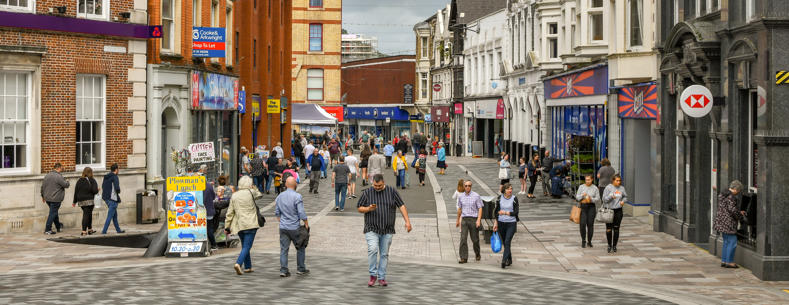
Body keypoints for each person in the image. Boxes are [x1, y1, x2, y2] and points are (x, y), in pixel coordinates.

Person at [357, 174, 412, 287]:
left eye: (379, 185)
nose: (377, 187)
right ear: (372, 183)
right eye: (375, 185)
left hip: (387, 229)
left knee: (384, 254)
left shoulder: (392, 191)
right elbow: (359, 207)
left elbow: (401, 206)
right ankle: (373, 275)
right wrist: (368, 208)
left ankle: (381, 277)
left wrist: (407, 221)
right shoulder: (367, 192)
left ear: (384, 182)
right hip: (371, 228)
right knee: (372, 250)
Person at [224, 176, 262, 275]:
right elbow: (259, 195)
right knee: (247, 246)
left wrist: (227, 226)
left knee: (245, 245)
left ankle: (248, 266)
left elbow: (230, 212)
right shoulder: (251, 192)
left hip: (239, 224)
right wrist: (255, 188)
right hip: (251, 223)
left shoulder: (234, 195)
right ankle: (238, 263)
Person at [275, 177, 310, 277]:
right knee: (300, 247)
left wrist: (281, 221)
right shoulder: (297, 196)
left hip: (283, 227)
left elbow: (277, 213)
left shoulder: (279, 196)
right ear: (295, 184)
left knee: (284, 249)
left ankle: (283, 270)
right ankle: (301, 268)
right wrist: (306, 223)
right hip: (294, 227)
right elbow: (301, 212)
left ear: (286, 185)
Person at [714, 180, 745, 268]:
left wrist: (738, 211)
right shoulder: (731, 197)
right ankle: (730, 262)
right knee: (732, 242)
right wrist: (740, 216)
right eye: (738, 190)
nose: (738, 192)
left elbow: (727, 208)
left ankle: (724, 260)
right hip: (728, 223)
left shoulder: (723, 194)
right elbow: (732, 210)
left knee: (726, 242)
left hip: (721, 221)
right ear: (735, 189)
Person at [456, 180, 483, 263]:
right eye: (466, 186)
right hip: (464, 219)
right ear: (464, 187)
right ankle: (464, 257)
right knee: (463, 238)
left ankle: (477, 253)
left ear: (471, 186)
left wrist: (478, 220)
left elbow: (480, 208)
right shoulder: (461, 196)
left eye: (469, 186)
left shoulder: (476, 196)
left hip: (473, 219)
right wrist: (458, 220)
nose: (468, 187)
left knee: (475, 239)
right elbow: (460, 209)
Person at [493, 183, 519, 269]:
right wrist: (495, 223)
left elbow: (516, 212)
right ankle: (510, 259)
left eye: (511, 189)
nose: (510, 190)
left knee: (507, 241)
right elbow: (496, 212)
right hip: (501, 223)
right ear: (504, 190)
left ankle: (503, 261)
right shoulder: (500, 198)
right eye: (508, 189)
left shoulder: (514, 199)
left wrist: (505, 213)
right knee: (505, 243)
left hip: (511, 223)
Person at [41, 162, 69, 235]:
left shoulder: (47, 175)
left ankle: (58, 227)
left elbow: (42, 187)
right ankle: (48, 229)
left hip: (47, 198)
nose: (61, 170)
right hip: (55, 199)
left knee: (54, 213)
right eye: (61, 168)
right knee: (52, 213)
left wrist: (43, 196)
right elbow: (65, 185)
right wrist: (68, 181)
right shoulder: (58, 176)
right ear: (59, 168)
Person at [602, 174, 628, 253]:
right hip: (609, 211)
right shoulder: (608, 188)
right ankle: (609, 245)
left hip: (618, 210)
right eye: (617, 180)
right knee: (609, 229)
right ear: (613, 180)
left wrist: (623, 201)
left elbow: (625, 196)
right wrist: (611, 196)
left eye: (620, 181)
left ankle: (614, 246)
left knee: (616, 229)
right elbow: (604, 199)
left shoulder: (622, 188)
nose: (618, 182)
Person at [575, 175, 601, 248]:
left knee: (590, 224)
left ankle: (589, 241)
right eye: (586, 180)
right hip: (583, 207)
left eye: (589, 180)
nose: (587, 181)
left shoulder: (595, 188)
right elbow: (577, 197)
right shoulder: (581, 187)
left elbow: (598, 199)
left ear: (592, 180)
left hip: (591, 207)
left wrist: (591, 198)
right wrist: (582, 196)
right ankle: (583, 240)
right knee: (582, 224)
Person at [72, 167, 98, 236]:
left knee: (88, 214)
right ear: (91, 172)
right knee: (86, 215)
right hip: (89, 200)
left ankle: (90, 229)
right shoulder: (92, 180)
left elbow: (76, 191)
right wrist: (98, 190)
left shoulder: (79, 180)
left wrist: (74, 202)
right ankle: (84, 231)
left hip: (80, 200)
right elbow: (95, 191)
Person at [197, 165, 218, 250]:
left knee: (200, 228)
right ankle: (213, 244)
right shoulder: (209, 186)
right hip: (208, 210)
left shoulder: (196, 187)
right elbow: (213, 197)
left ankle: (201, 244)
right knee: (209, 228)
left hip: (199, 211)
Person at [101, 163, 125, 234]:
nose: (118, 171)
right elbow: (117, 188)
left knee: (114, 216)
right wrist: (119, 191)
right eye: (118, 169)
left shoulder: (106, 177)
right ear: (116, 170)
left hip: (106, 198)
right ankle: (104, 231)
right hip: (112, 199)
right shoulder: (115, 177)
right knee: (110, 216)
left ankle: (118, 230)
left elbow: (103, 187)